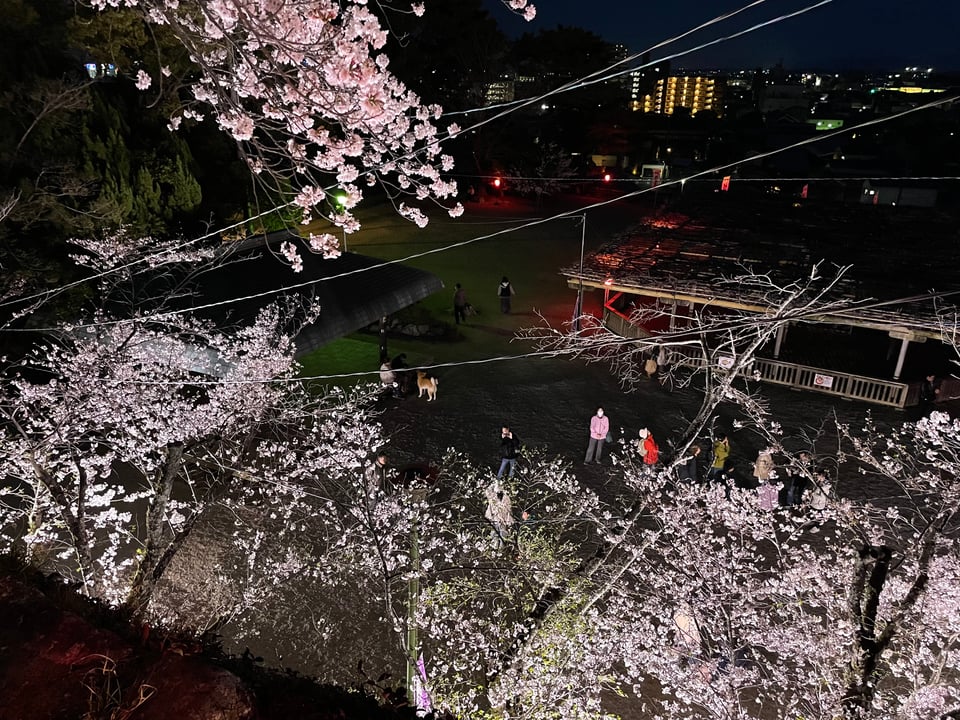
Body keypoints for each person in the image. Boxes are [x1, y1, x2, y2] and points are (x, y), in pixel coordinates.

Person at [484, 482, 515, 549]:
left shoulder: (506, 498)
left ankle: (501, 546)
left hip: (501, 521)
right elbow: (488, 491)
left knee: (502, 533)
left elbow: (509, 511)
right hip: (496, 520)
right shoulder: (493, 498)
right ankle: (496, 545)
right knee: (496, 533)